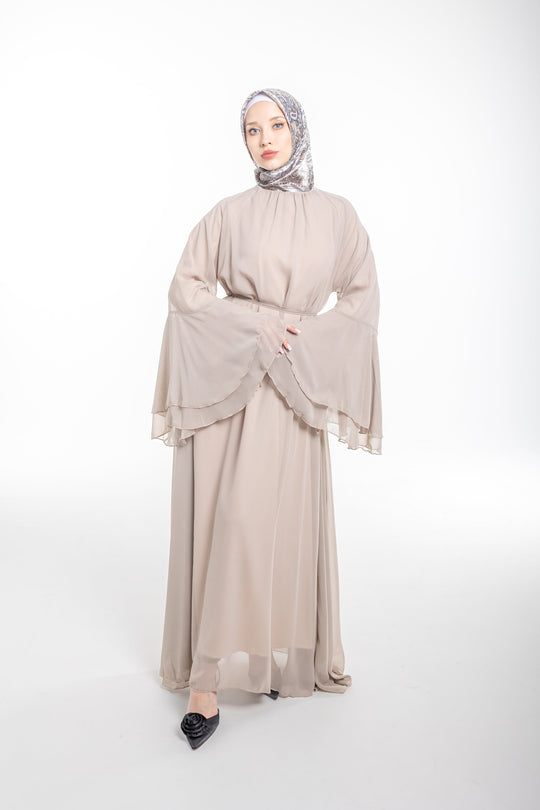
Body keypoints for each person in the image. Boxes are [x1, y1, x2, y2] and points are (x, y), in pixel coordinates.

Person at [151, 87, 383, 749]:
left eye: (277, 125)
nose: (265, 139)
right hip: (232, 386)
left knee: (282, 525)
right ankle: (205, 680)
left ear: (298, 129)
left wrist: (306, 340)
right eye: (253, 130)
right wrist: (256, 325)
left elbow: (362, 298)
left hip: (293, 391)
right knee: (229, 523)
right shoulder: (227, 214)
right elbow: (186, 290)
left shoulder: (338, 216)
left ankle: (272, 662)